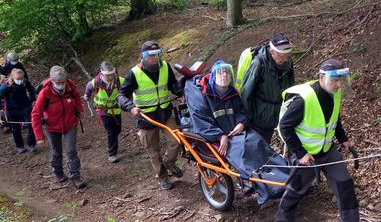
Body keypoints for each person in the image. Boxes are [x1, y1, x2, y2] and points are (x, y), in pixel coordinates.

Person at [273, 58, 371, 222]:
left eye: (342, 80)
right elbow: (284, 127)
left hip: (327, 150)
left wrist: (343, 139)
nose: (339, 84)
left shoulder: (335, 93)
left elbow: (335, 119)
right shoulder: (304, 99)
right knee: (296, 190)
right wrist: (300, 153)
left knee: (345, 186)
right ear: (321, 77)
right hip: (305, 155)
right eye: (335, 80)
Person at [184, 60, 289, 204]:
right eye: (220, 73)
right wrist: (220, 136)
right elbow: (201, 121)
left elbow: (241, 111)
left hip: (237, 132)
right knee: (245, 154)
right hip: (218, 137)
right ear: (213, 76)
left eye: (227, 72)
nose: (224, 75)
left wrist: (241, 123)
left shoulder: (231, 93)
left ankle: (285, 173)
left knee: (258, 143)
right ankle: (267, 186)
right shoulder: (202, 95)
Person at [118, 41, 183, 190]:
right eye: (150, 55)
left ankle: (170, 163)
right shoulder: (134, 73)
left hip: (165, 114)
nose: (154, 58)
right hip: (146, 118)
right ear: (143, 56)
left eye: (157, 54)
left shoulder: (165, 66)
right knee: (153, 152)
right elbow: (122, 95)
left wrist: (180, 93)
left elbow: (173, 84)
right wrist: (131, 107)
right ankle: (162, 178)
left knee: (177, 140)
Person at [31, 66, 86, 189]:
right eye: (58, 82)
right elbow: (35, 114)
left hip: (70, 123)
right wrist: (39, 137)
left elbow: (76, 97)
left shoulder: (70, 86)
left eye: (63, 82)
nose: (61, 84)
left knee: (71, 151)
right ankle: (59, 172)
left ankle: (75, 176)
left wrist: (79, 110)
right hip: (52, 127)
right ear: (52, 81)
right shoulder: (45, 93)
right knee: (57, 152)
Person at [240, 33, 295, 143]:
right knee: (258, 145)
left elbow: (291, 87)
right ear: (272, 51)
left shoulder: (288, 62)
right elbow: (246, 92)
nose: (285, 59)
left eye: (287, 55)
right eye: (281, 55)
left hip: (278, 113)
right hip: (259, 116)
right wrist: (247, 118)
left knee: (266, 144)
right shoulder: (259, 64)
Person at [85, 61, 124, 163]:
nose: (110, 77)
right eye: (108, 75)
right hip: (103, 111)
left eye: (112, 74)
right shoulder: (95, 82)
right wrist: (87, 96)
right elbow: (89, 88)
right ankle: (112, 154)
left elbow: (129, 86)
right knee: (111, 131)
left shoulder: (119, 80)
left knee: (117, 129)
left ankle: (113, 143)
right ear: (102, 74)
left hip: (116, 109)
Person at [0, 68, 37, 153]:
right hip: (12, 109)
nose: (20, 80)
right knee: (15, 128)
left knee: (32, 124)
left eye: (21, 78)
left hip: (25, 106)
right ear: (13, 78)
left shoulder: (25, 81)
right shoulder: (6, 86)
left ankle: (31, 144)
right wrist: (1, 108)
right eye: (18, 79)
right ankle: (20, 146)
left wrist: (33, 100)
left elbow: (31, 90)